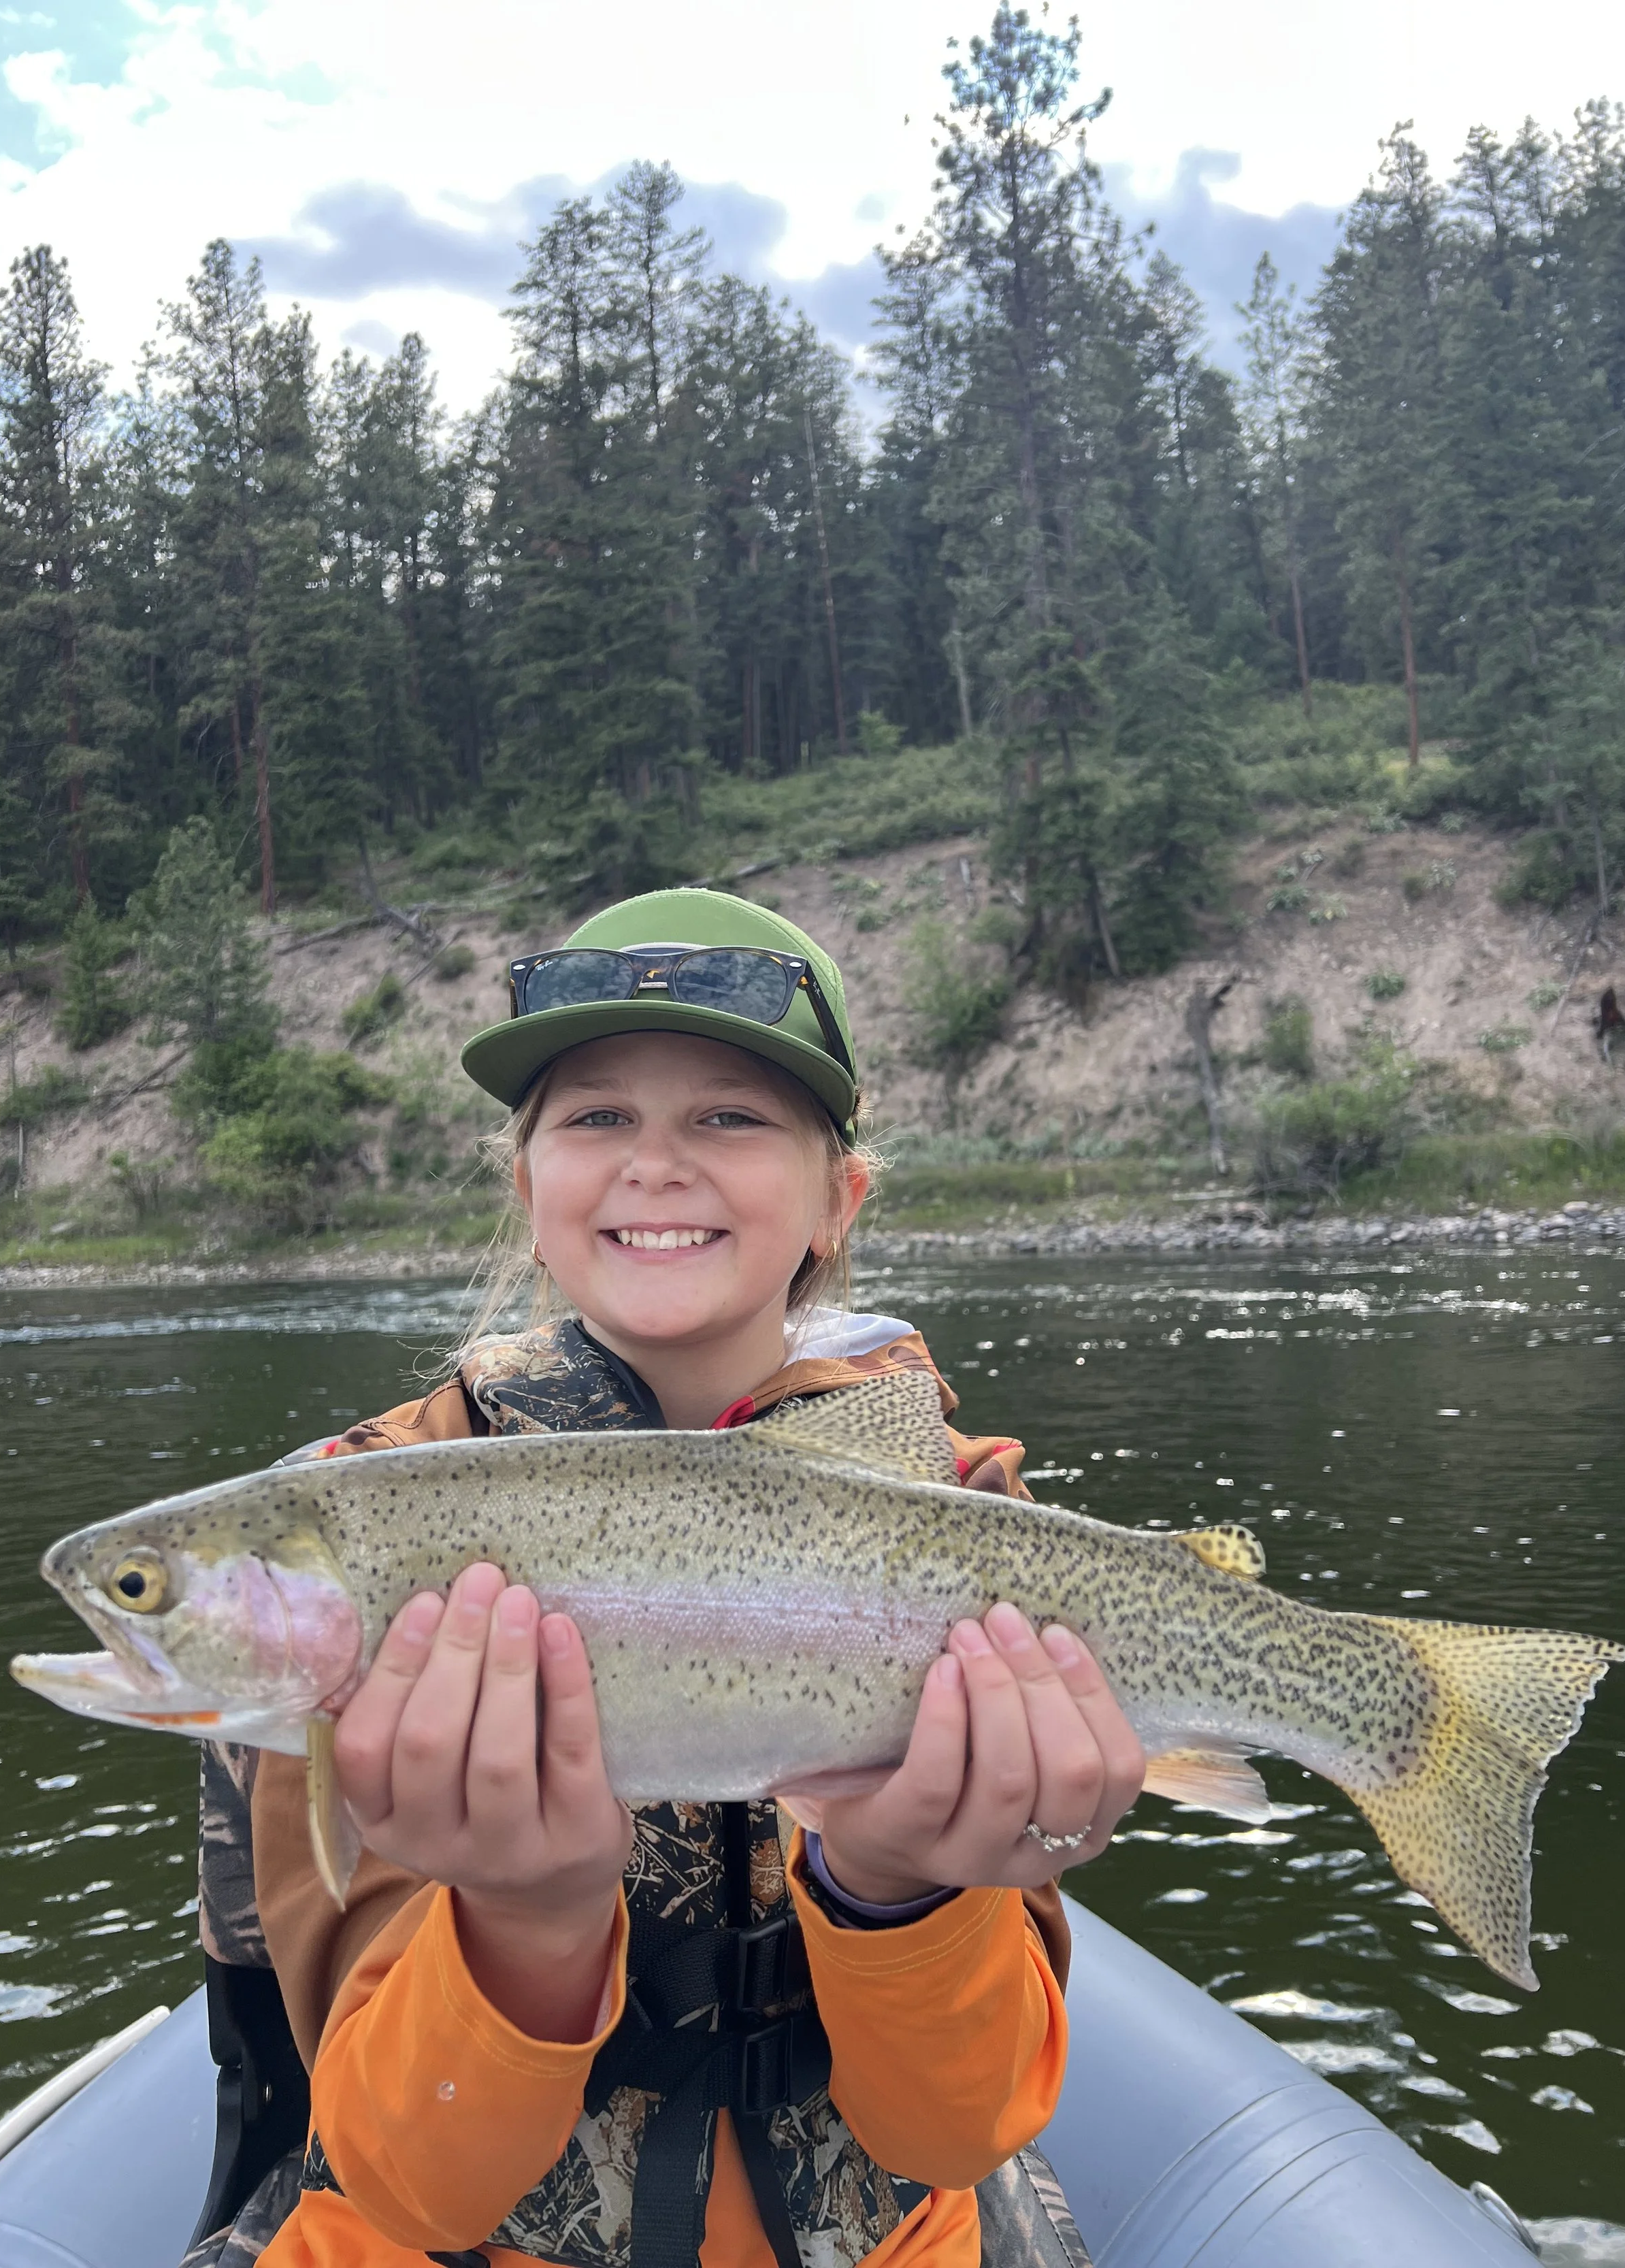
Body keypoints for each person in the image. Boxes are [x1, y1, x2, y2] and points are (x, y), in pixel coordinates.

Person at [231, 887, 1144, 2268]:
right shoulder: (348, 1529)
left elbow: (956, 2135)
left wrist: (897, 1879)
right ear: (526, 1187)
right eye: (594, 1117)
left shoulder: (957, 1519)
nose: (654, 1164)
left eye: (726, 1116)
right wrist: (526, 1922)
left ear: (838, 1199)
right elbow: (414, 2192)